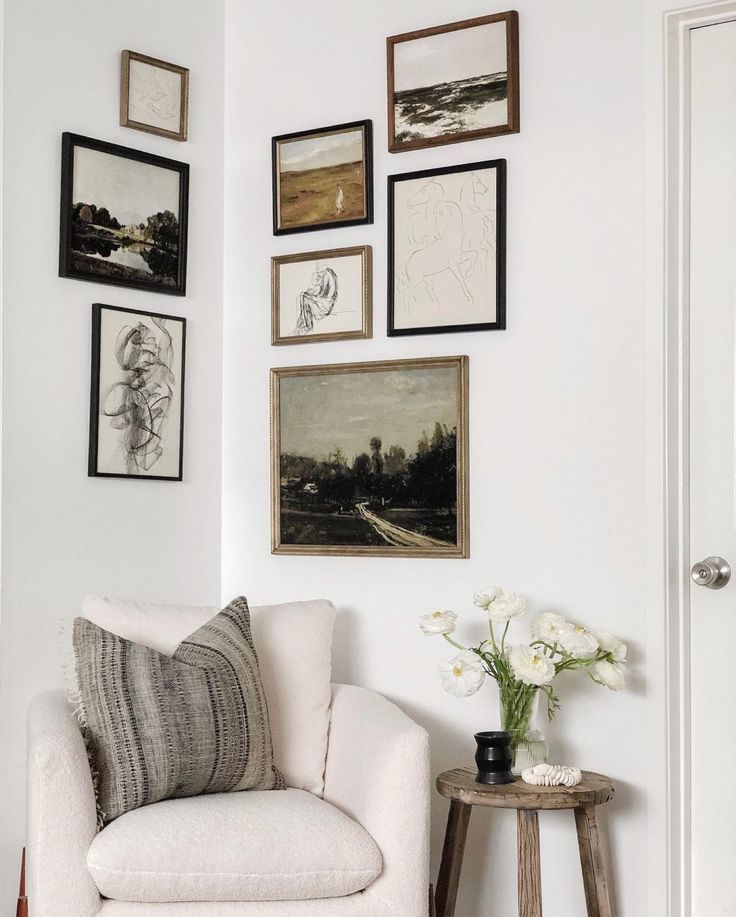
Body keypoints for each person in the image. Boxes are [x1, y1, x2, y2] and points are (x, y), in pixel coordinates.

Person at [294, 262, 338, 335]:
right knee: (304, 296)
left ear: (323, 266)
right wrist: (312, 294)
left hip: (325, 305)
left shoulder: (327, 276)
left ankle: (308, 326)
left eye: (318, 267)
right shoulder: (329, 273)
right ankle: (304, 322)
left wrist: (312, 295)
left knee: (304, 297)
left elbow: (322, 295)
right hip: (327, 302)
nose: (317, 269)